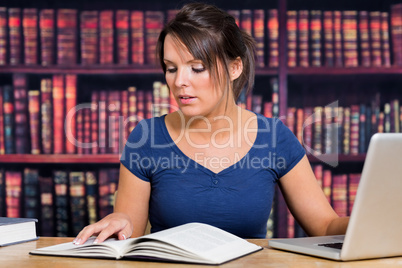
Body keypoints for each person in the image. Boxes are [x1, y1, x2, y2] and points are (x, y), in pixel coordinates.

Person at [73, 2, 349, 245]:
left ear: (234, 68)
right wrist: (120, 221)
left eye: (197, 68)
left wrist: (373, 223)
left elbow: (324, 226)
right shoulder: (145, 137)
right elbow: (128, 231)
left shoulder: (275, 137)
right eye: (171, 68)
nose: (180, 81)